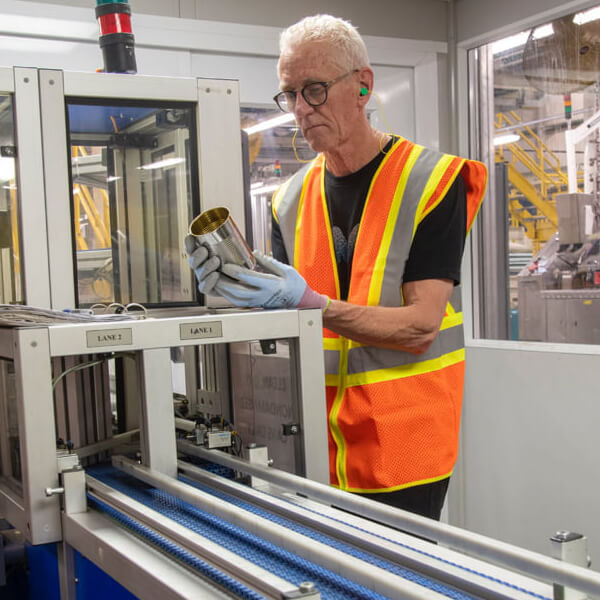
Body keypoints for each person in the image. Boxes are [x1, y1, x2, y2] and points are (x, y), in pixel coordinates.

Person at [185, 14, 487, 520]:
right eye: (290, 94)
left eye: (315, 89)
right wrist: (235, 288)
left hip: (404, 447)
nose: (301, 110)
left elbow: (421, 326)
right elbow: (283, 330)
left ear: (363, 86)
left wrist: (310, 305)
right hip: (313, 446)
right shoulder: (289, 198)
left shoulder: (433, 180)